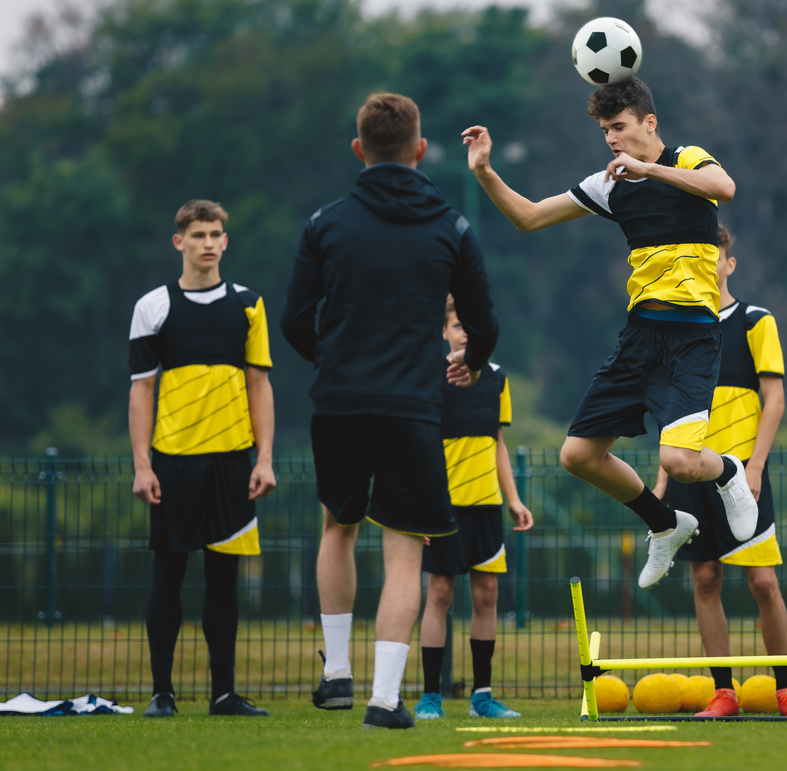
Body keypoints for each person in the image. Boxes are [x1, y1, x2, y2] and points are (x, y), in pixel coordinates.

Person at [461, 77, 758, 590]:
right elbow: (529, 218)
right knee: (577, 456)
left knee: (680, 463)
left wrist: (649, 169)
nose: (611, 139)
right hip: (642, 337)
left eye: (619, 127)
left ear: (650, 122)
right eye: (604, 131)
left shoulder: (687, 158)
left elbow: (725, 188)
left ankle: (728, 472)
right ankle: (664, 524)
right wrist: (485, 171)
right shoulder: (609, 184)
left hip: (692, 338)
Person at [282, 92, 499, 730]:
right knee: (405, 549)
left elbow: (296, 320)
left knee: (339, 526)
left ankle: (336, 674)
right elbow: (483, 322)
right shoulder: (451, 226)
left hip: (340, 403)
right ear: (420, 151)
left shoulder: (325, 224)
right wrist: (474, 361)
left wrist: (336, 365)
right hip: (413, 407)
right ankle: (384, 699)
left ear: (359, 150)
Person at [652, 225, 787, 718]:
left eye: (713, 255)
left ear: (729, 263)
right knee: (705, 579)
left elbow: (776, 399)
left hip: (742, 473)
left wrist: (756, 465)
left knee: (763, 581)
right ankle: (725, 693)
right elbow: (668, 408)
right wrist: (660, 482)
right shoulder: (676, 327)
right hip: (687, 471)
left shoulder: (755, 320)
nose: (706, 263)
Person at [129, 199, 277, 719]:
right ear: (179, 243)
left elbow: (260, 385)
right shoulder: (152, 307)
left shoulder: (249, 305)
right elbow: (141, 394)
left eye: (216, 234)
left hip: (234, 463)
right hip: (173, 461)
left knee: (223, 580)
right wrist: (142, 465)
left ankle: (223, 695)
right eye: (198, 235)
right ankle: (161, 694)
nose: (209, 243)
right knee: (167, 575)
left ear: (226, 241)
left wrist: (265, 459)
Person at [414, 297, 534, 721]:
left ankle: (482, 696)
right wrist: (421, 507)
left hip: (487, 506)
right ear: (444, 332)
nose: (465, 332)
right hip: (443, 507)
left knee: (487, 595)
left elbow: (497, 443)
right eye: (457, 325)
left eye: (472, 325)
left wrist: (514, 500)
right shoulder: (429, 377)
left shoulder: (497, 379)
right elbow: (420, 446)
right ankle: (430, 695)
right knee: (440, 594)